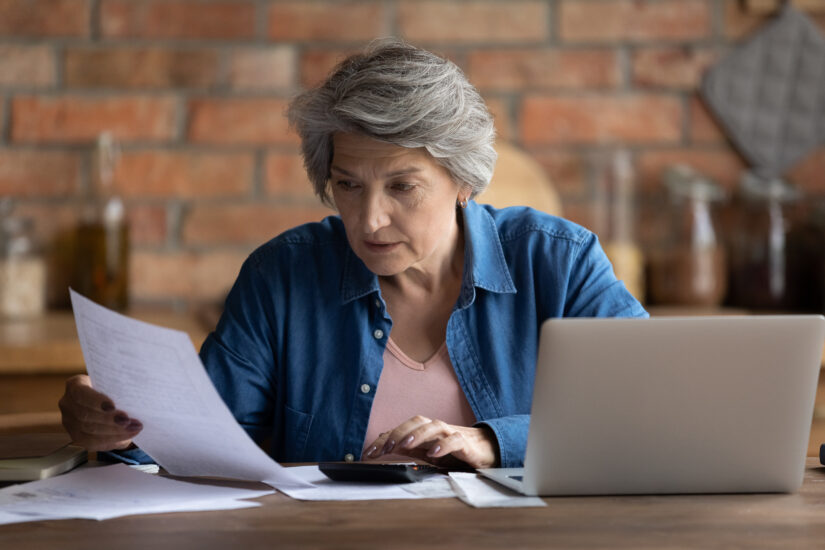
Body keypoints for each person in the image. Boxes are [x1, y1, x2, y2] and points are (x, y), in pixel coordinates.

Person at [59, 39, 647, 470]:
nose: (368, 220)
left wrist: (493, 441)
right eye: (348, 185)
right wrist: (122, 424)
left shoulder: (559, 261)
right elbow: (203, 440)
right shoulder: (282, 275)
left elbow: (648, 408)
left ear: (464, 182)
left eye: (401, 187)